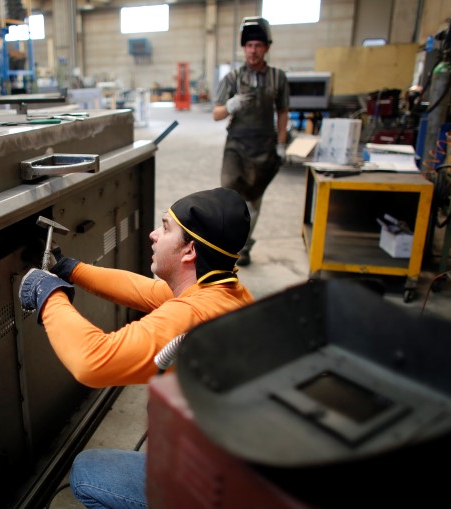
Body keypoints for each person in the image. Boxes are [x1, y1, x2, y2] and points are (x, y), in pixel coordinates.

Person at [19, 187, 255, 508]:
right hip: (235, 467)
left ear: (189, 252)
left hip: (208, 489)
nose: (153, 234)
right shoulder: (226, 291)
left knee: (87, 472)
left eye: (166, 228)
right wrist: (68, 268)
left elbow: (92, 361)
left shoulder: (193, 316)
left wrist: (49, 294)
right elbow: (144, 290)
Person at [213, 16, 289, 266]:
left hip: (264, 146)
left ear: (266, 48)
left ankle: (244, 247)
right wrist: (230, 105)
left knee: (254, 199)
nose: (253, 51)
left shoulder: (278, 78)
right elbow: (216, 114)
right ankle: (227, 246)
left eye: (258, 45)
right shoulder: (232, 78)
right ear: (243, 48)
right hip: (236, 145)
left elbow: (283, 111)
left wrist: (281, 142)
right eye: (249, 46)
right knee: (230, 198)